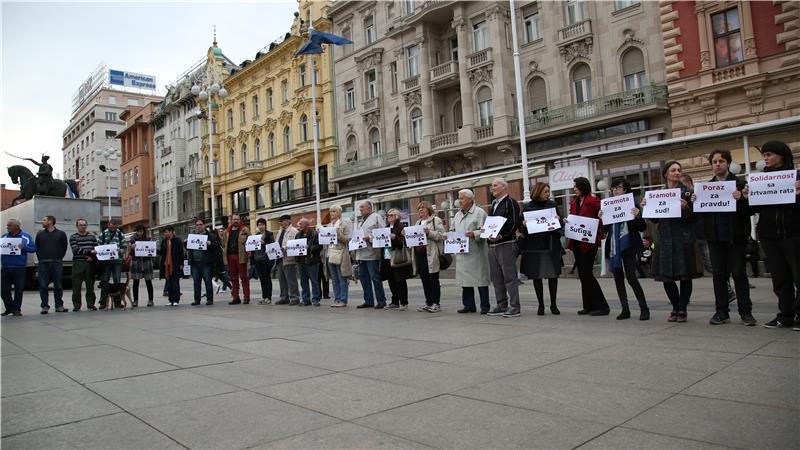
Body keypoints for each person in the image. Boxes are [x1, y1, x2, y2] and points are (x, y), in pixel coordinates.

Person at [692, 149, 755, 326]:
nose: (717, 164)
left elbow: (750, 211)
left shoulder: (739, 184)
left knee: (739, 274)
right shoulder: (705, 187)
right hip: (715, 238)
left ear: (728, 163)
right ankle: (721, 312)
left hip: (736, 237)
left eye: (721, 161)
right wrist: (696, 202)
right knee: (719, 276)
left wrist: (742, 200)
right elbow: (700, 217)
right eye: (714, 162)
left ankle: (745, 312)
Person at [743, 141, 800, 330]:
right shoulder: (760, 180)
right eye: (764, 155)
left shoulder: (796, 176)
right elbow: (753, 209)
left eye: (769, 155)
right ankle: (785, 315)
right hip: (769, 236)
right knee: (780, 278)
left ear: (781, 155)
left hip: (793, 233)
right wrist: (747, 198)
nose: (765, 159)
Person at [643, 161, 703, 322]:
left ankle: (683, 308)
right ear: (666, 174)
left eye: (679, 170)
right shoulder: (658, 194)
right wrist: (647, 208)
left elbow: (696, 219)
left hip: (683, 238)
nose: (677, 172)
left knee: (685, 275)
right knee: (666, 276)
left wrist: (687, 208)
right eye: (673, 170)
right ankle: (675, 307)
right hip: (664, 239)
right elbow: (655, 219)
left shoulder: (688, 193)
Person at [600, 178, 650, 320]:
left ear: (626, 190)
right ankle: (625, 308)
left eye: (619, 188)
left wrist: (637, 216)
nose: (615, 191)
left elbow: (642, 227)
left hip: (628, 244)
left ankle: (644, 308)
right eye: (613, 188)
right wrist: (602, 218)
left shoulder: (632, 204)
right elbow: (605, 230)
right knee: (618, 278)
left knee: (632, 277)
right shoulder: (608, 206)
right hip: (614, 246)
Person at [567, 177, 610, 316]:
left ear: (583, 187)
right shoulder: (574, 202)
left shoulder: (593, 201)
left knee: (587, 273)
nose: (574, 189)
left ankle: (602, 306)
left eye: (576, 186)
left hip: (589, 242)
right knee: (583, 275)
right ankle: (588, 305)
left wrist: (600, 219)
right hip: (577, 242)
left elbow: (602, 218)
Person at [519, 182, 563, 316]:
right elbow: (521, 226)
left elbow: (559, 226)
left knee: (553, 275)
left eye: (548, 192)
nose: (548, 194)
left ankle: (554, 304)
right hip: (534, 246)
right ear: (538, 192)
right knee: (536, 276)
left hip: (551, 245)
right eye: (546, 192)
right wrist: (524, 224)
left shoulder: (552, 205)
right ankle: (541, 305)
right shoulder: (528, 207)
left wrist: (558, 220)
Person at [485, 178, 523, 317]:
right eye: (492, 185)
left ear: (504, 187)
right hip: (493, 245)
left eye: (495, 185)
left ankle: (514, 307)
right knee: (496, 277)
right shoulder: (494, 204)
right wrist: (487, 232)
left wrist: (502, 235)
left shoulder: (510, 203)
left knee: (509, 277)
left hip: (506, 244)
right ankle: (501, 305)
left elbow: (514, 223)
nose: (492, 187)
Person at [451, 190, 491, 314]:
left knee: (481, 280)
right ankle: (468, 305)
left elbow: (486, 231)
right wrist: (449, 235)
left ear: (470, 200)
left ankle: (485, 306)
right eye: (459, 198)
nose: (459, 201)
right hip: (462, 252)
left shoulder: (480, 213)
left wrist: (474, 234)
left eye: (461, 198)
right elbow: (452, 229)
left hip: (476, 252)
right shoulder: (457, 215)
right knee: (465, 280)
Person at [408, 201, 445, 313]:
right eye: (419, 209)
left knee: (433, 278)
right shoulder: (418, 222)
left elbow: (442, 235)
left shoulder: (435, 220)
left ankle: (436, 303)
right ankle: (428, 302)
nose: (421, 210)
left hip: (431, 252)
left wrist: (429, 232)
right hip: (420, 253)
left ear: (428, 209)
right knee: (424, 278)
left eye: (423, 208)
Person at [355, 200, 387, 309]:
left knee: (375, 278)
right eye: (360, 208)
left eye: (362, 207)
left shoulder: (376, 217)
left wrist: (370, 238)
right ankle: (368, 300)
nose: (361, 209)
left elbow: (383, 233)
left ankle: (381, 300)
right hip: (361, 254)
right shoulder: (360, 221)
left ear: (370, 208)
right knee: (364, 278)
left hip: (372, 254)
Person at [1, 219, 36, 316]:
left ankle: (16, 309)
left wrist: (25, 247)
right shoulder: (4, 237)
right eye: (7, 225)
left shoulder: (26, 237)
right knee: (3, 290)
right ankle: (9, 308)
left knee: (19, 289)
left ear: (17, 227)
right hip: (6, 267)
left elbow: (33, 249)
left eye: (9, 225)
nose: (7, 227)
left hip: (19, 267)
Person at [35, 215, 69, 314]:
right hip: (43, 263)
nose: (42, 222)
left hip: (56, 262)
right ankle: (45, 306)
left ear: (50, 221)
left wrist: (58, 257)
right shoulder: (40, 234)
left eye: (44, 220)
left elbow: (64, 247)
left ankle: (59, 305)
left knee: (58, 285)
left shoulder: (61, 234)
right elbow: (37, 248)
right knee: (43, 285)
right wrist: (41, 258)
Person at [383, 209, 413, 310]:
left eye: (391, 215)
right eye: (388, 215)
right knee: (391, 279)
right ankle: (394, 301)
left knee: (400, 279)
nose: (389, 217)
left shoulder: (401, 227)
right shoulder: (386, 228)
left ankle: (404, 301)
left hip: (398, 256)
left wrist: (395, 237)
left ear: (397, 216)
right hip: (387, 255)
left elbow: (403, 243)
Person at [188, 218, 221, 306]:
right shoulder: (193, 236)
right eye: (197, 225)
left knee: (207, 280)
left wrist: (210, 244)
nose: (199, 226)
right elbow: (189, 249)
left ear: (204, 225)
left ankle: (209, 299)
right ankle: (197, 300)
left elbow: (217, 246)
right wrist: (186, 244)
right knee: (196, 282)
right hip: (195, 262)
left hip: (206, 262)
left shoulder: (210, 236)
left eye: (200, 224)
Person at [325, 206, 353, 308]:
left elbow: (347, 239)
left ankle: (343, 300)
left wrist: (338, 234)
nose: (331, 213)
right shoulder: (328, 225)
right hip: (330, 253)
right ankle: (337, 299)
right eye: (330, 211)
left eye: (334, 211)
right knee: (334, 279)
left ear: (339, 213)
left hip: (340, 253)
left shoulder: (344, 224)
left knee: (342, 278)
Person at [222, 213, 251, 305]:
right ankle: (236, 297)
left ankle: (246, 297)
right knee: (233, 278)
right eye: (234, 219)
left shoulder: (245, 230)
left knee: (244, 278)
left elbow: (251, 242)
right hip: (230, 256)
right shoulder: (227, 231)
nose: (235, 221)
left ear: (240, 220)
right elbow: (223, 244)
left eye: (237, 219)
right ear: (231, 220)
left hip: (241, 256)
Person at [97, 219, 127, 309]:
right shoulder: (102, 234)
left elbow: (124, 247)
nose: (113, 228)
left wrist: (120, 251)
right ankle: (103, 302)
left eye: (114, 226)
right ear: (108, 225)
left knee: (117, 281)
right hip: (106, 262)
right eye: (111, 226)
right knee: (104, 282)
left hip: (117, 261)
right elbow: (98, 245)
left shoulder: (120, 234)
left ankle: (117, 302)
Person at [70, 218, 98, 311]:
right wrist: (90, 252)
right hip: (78, 263)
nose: (83, 227)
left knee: (90, 285)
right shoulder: (73, 237)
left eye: (84, 225)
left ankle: (91, 304)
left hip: (89, 263)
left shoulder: (92, 237)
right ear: (77, 226)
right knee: (76, 285)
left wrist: (92, 257)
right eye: (80, 225)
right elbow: (76, 250)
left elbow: (97, 250)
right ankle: (76, 305)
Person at [296, 218, 322, 306]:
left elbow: (319, 246)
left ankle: (315, 299)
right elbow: (295, 245)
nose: (299, 226)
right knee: (303, 282)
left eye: (301, 224)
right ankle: (305, 299)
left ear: (307, 225)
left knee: (314, 281)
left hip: (312, 261)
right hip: (301, 261)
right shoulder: (298, 234)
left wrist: (309, 248)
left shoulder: (314, 234)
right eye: (299, 224)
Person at [275, 214, 300, 305]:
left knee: (291, 279)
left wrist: (286, 247)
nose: (281, 223)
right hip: (280, 258)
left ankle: (294, 297)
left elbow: (296, 244)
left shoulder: (294, 231)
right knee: (282, 279)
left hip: (289, 258)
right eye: (280, 222)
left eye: (282, 221)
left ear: (288, 221)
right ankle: (284, 297)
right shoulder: (280, 231)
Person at [128, 224, 155, 308]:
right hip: (137, 262)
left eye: (141, 231)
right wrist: (132, 247)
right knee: (136, 282)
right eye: (138, 231)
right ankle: (135, 300)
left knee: (148, 281)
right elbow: (130, 253)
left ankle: (151, 300)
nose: (140, 233)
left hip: (146, 262)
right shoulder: (132, 239)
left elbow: (152, 250)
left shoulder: (148, 238)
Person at [251, 218, 275, 305]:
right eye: (259, 225)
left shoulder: (269, 234)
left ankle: (269, 297)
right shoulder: (256, 235)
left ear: (265, 225)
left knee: (267, 278)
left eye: (262, 225)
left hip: (266, 260)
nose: (261, 227)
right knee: (262, 279)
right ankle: (264, 297)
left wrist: (264, 242)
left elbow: (272, 246)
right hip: (258, 260)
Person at [159, 226, 184, 306]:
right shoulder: (163, 241)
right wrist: (153, 250)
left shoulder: (177, 240)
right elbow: (162, 253)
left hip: (175, 264)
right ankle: (170, 299)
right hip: (166, 265)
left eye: (166, 232)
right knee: (168, 283)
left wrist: (181, 264)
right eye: (164, 232)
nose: (165, 234)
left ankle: (176, 300)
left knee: (175, 283)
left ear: (171, 232)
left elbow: (181, 253)